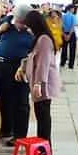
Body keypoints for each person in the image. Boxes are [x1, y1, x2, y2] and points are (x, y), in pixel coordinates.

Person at [0, 4, 34, 147]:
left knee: (21, 101)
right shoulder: (6, 25)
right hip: (2, 65)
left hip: (21, 67)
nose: (21, 24)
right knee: (4, 98)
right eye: (19, 21)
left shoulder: (32, 31)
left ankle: (19, 135)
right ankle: (6, 129)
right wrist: (5, 24)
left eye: (24, 22)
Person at [23, 10, 61, 142]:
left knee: (43, 116)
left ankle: (45, 146)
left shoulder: (44, 40)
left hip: (44, 84)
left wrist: (38, 83)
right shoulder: (39, 38)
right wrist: (22, 68)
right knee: (41, 115)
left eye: (29, 26)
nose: (28, 30)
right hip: (39, 83)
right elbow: (32, 57)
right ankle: (43, 145)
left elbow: (43, 63)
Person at [60, 5, 78, 69]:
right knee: (72, 49)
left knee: (64, 49)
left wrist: (64, 35)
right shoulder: (73, 16)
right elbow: (73, 26)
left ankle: (62, 62)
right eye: (73, 9)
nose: (74, 10)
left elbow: (61, 27)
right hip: (72, 34)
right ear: (71, 9)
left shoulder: (63, 16)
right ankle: (71, 65)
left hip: (64, 33)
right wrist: (69, 35)